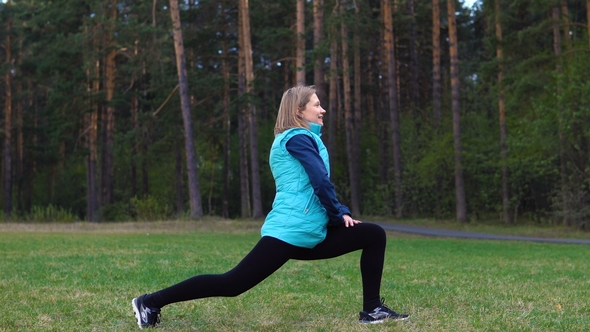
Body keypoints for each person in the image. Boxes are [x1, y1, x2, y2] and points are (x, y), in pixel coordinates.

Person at [131, 85, 409, 328]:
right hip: (290, 231)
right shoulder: (297, 138)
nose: (322, 110)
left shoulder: (305, 138)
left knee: (373, 235)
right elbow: (319, 180)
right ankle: (149, 302)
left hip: (309, 231)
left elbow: (314, 185)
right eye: (317, 105)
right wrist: (339, 213)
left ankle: (372, 310)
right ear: (299, 111)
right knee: (233, 284)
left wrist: (337, 216)